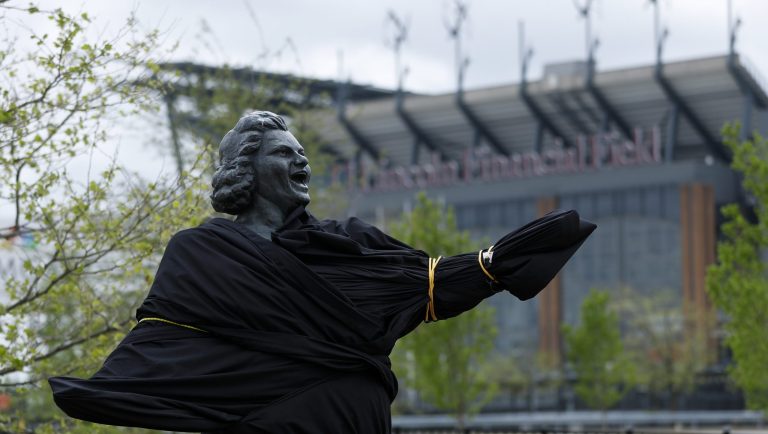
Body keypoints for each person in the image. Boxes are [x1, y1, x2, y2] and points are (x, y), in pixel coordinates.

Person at [49, 111, 595, 433]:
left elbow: (428, 286)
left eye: (304, 152)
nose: (303, 162)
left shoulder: (349, 242)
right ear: (247, 168)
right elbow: (166, 343)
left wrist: (498, 265)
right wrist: (109, 394)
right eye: (287, 153)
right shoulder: (200, 251)